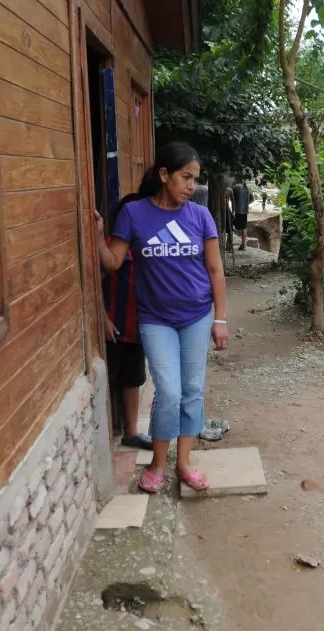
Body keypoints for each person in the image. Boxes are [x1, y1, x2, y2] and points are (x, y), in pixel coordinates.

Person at [95, 142, 229, 494]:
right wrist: (96, 236)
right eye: (185, 177)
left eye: (195, 179)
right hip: (155, 319)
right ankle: (157, 463)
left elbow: (215, 270)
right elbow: (111, 263)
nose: (191, 186)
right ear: (164, 174)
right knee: (168, 392)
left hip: (197, 315)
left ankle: (184, 463)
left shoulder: (200, 216)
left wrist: (221, 319)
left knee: (192, 389)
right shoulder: (135, 214)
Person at [102, 193, 154, 451]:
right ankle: (105, 432)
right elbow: (92, 282)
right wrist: (102, 317)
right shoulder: (110, 246)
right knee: (110, 377)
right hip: (115, 326)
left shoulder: (148, 245)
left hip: (139, 327)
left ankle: (131, 433)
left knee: (133, 379)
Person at [231, 181, 251, 251]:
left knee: (231, 225)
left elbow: (232, 199)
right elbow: (251, 199)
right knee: (243, 227)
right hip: (245, 210)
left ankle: (229, 243)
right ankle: (243, 245)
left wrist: (233, 210)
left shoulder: (235, 187)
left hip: (238, 209)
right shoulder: (246, 188)